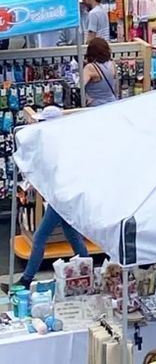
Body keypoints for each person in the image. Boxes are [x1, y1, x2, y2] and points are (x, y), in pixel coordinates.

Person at [16, 108, 89, 288]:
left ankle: (26, 279)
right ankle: (88, 271)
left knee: (40, 236)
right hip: (64, 195)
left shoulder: (55, 143)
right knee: (72, 235)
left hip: (61, 197)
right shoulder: (64, 141)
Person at [83, 37, 118, 106]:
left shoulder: (90, 67)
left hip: (96, 105)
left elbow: (80, 86)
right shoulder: (112, 63)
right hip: (112, 102)